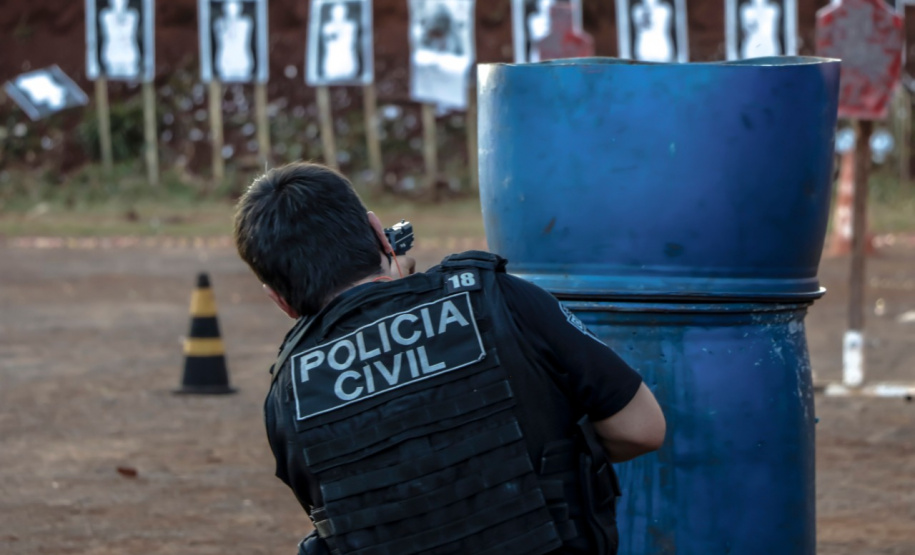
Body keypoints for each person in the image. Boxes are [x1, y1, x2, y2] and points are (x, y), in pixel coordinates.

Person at [233, 162, 666, 555]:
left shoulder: (288, 393)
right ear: (378, 231)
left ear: (280, 301)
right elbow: (642, 429)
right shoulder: (497, 297)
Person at [99, 0, 141, 79]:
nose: (119, 4)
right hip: (112, 55)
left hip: (128, 55)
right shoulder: (106, 16)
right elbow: (112, 33)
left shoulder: (132, 15)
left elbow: (128, 33)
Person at [214, 0, 254, 81]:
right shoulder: (219, 23)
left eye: (234, 8)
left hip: (242, 62)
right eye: (229, 8)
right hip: (225, 64)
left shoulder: (245, 23)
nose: (231, 11)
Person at [321, 3, 359, 81]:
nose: (339, 15)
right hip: (333, 57)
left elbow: (351, 41)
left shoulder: (350, 26)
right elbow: (327, 42)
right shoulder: (328, 27)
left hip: (346, 56)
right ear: (332, 13)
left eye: (341, 12)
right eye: (337, 12)